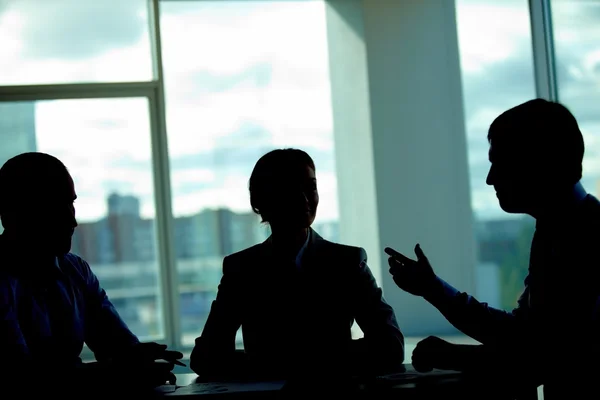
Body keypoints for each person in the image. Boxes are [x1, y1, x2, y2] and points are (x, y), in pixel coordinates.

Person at [386, 99, 600, 398]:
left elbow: (541, 356)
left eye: (499, 163)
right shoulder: (565, 229)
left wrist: (451, 354)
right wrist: (433, 289)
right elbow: (529, 338)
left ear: (537, 161)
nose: (490, 178)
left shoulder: (583, 237)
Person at [190, 148, 404, 381]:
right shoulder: (241, 268)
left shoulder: (346, 262)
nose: (304, 198)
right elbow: (205, 357)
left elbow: (391, 345)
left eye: (311, 186)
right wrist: (322, 357)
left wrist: (269, 361)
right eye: (290, 189)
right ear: (262, 202)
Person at [0, 152, 183, 393]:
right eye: (55, 205)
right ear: (17, 212)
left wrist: (136, 355)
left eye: (71, 203)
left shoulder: (76, 270)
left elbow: (115, 345)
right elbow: (22, 380)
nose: (72, 220)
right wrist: (123, 369)